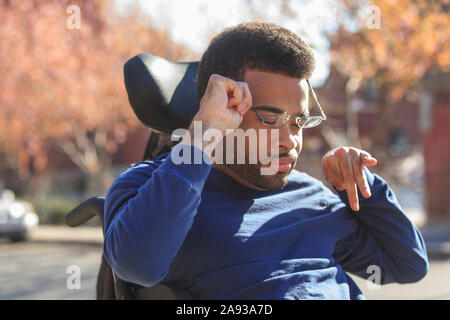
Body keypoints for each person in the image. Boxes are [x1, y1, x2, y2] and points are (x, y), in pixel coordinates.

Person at [103, 22, 428, 299]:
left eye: (298, 121)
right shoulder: (150, 186)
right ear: (225, 109)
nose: (291, 139)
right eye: (271, 119)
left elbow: (407, 264)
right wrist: (201, 139)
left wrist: (360, 182)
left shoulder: (310, 194)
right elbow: (137, 265)